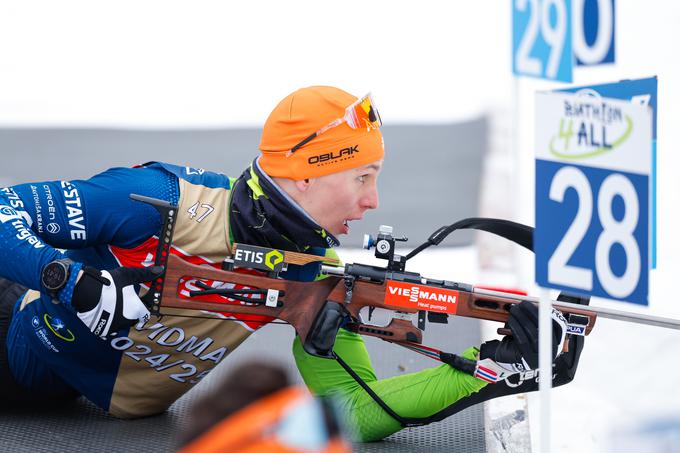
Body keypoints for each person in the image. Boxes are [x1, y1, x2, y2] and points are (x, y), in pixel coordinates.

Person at [0, 86, 583, 441]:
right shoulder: (160, 201)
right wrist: (70, 281)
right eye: (362, 177)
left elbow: (357, 411)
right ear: (304, 174)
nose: (373, 200)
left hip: (64, 399)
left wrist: (491, 370)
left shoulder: (311, 274)